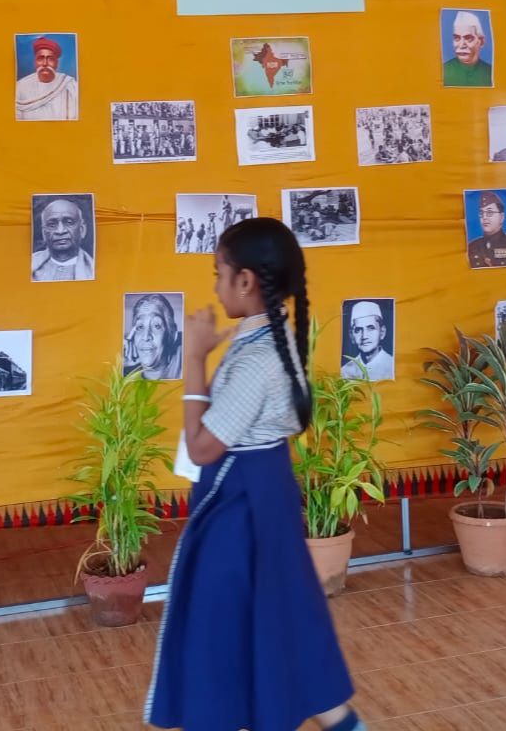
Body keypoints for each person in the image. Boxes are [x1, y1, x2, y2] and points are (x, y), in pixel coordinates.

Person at [147, 217, 368, 731]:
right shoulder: (272, 340)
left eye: (218, 273)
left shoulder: (257, 359)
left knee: (222, 629)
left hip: (241, 509)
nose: (215, 286)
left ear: (245, 280)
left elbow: (202, 448)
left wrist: (194, 359)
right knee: (279, 623)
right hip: (263, 493)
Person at [15, 36, 78, 121]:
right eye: (40, 58)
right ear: (35, 62)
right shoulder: (21, 86)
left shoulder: (69, 84)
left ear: (57, 63)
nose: (45, 63)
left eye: (50, 59)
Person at [30, 198, 94, 281]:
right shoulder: (28, 263)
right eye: (52, 225)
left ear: (82, 230)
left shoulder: (94, 269)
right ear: (44, 233)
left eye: (69, 222)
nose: (60, 231)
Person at [124, 294, 182, 381]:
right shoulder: (127, 378)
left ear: (173, 335)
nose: (146, 337)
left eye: (157, 326)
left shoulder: (184, 368)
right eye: (140, 327)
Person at [340, 301, 393, 380]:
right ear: (352, 335)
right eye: (358, 330)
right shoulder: (345, 371)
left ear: (382, 332)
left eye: (371, 328)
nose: (364, 336)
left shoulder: (392, 367)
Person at [467, 190, 506, 269]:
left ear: (502, 217)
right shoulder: (472, 246)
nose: (484, 217)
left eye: (489, 213)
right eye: (481, 213)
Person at [442, 11, 492, 87]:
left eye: (468, 38)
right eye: (457, 38)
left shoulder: (490, 72)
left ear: (481, 41)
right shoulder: (443, 71)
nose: (461, 45)